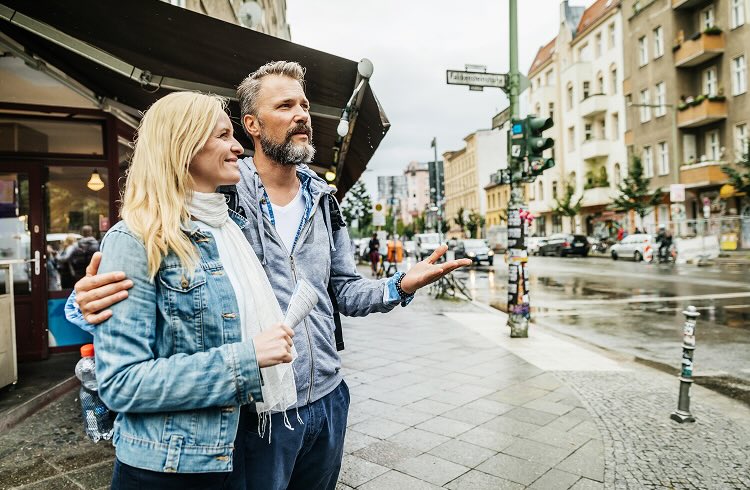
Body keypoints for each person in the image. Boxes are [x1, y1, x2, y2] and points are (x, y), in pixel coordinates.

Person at [66, 61, 471, 490]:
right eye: (285, 105)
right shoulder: (221, 195)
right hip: (260, 409)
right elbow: (154, 250)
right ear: (252, 125)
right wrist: (84, 301)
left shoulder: (322, 200)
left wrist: (399, 285)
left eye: (304, 105)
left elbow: (342, 290)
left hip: (327, 395)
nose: (302, 115)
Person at [81, 91, 296, 488]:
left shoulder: (229, 228)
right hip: (171, 467)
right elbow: (122, 383)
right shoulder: (135, 240)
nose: (237, 147)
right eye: (222, 135)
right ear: (182, 146)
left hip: (237, 445)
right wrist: (246, 359)